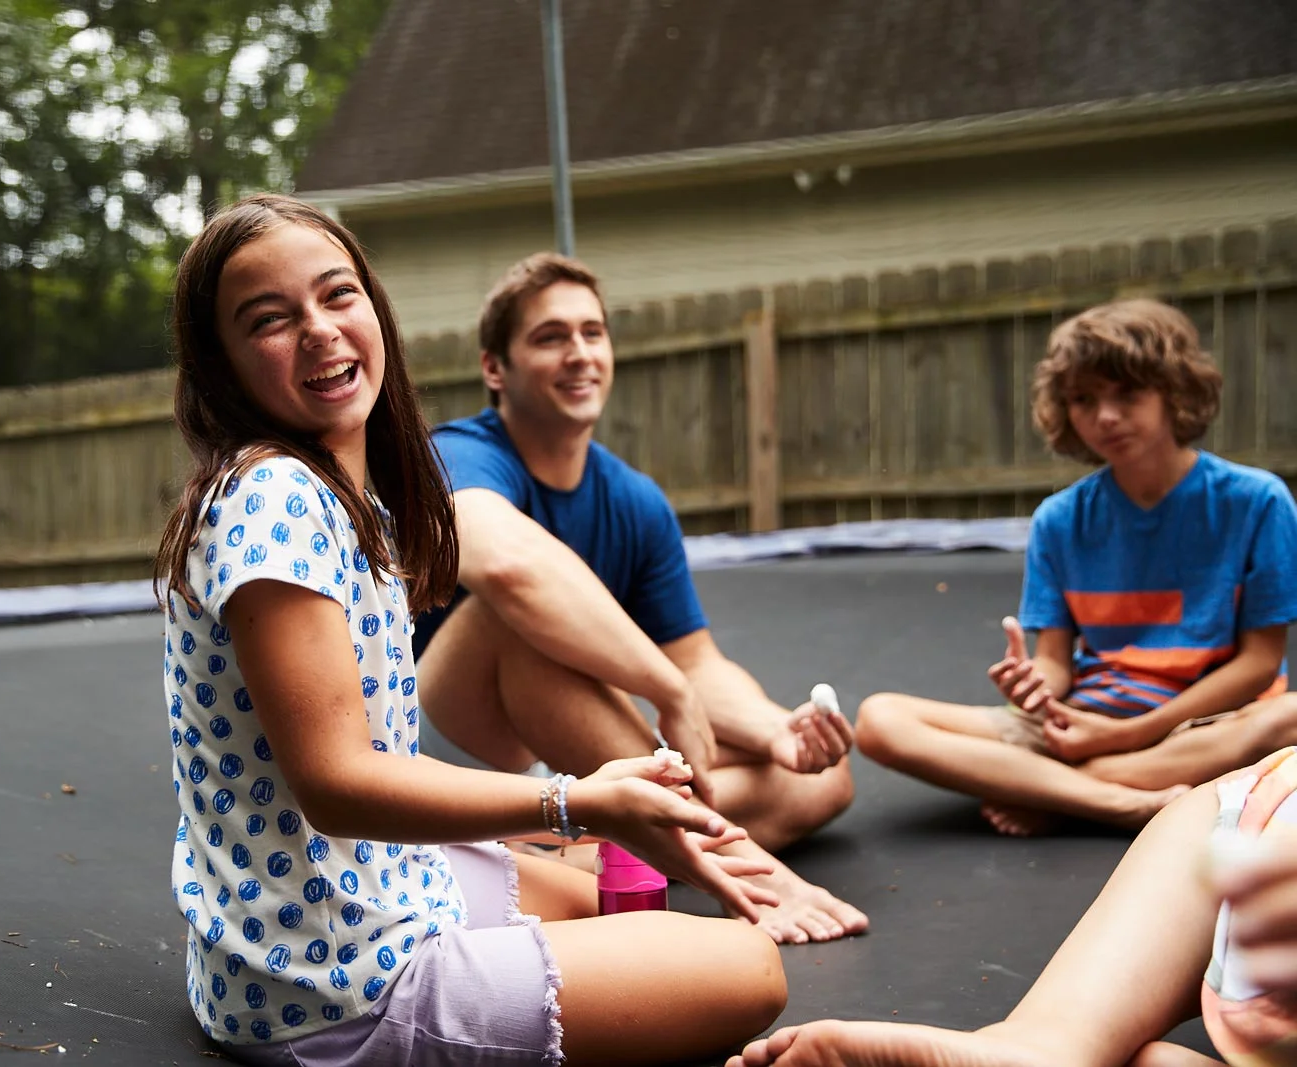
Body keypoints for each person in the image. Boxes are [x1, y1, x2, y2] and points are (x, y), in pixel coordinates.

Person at [152, 194, 785, 1066]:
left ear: (375, 307)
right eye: (270, 319)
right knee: (750, 968)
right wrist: (579, 799)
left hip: (340, 902)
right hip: (330, 983)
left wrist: (576, 820)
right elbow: (336, 782)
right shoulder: (274, 497)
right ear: (220, 365)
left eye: (338, 296)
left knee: (591, 893)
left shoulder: (342, 496)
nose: (320, 330)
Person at [413, 252, 866, 944]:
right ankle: (741, 866)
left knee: (819, 780)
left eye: (593, 333)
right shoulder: (457, 455)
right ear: (494, 369)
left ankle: (575, 845)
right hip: (458, 753)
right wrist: (669, 693)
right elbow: (503, 566)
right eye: (550, 336)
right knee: (509, 621)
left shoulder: (632, 499)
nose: (580, 353)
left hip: (571, 760)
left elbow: (698, 663)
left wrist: (776, 732)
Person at [855, 299, 1297, 836]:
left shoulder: (1257, 502)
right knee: (880, 720)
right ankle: (1115, 799)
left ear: (1175, 393)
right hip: (1085, 722)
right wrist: (1033, 685)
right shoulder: (1059, 521)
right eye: (1083, 400)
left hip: (1201, 724)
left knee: (1287, 718)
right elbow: (1056, 665)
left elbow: (1259, 664)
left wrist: (1133, 734)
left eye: (1127, 395)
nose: (1104, 417)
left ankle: (1051, 790)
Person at [727, 747, 1297, 1067]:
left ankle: (1041, 1046)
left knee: (1228, 799)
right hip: (1254, 827)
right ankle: (1040, 1048)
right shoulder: (1066, 531)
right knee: (884, 716)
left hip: (1251, 813)